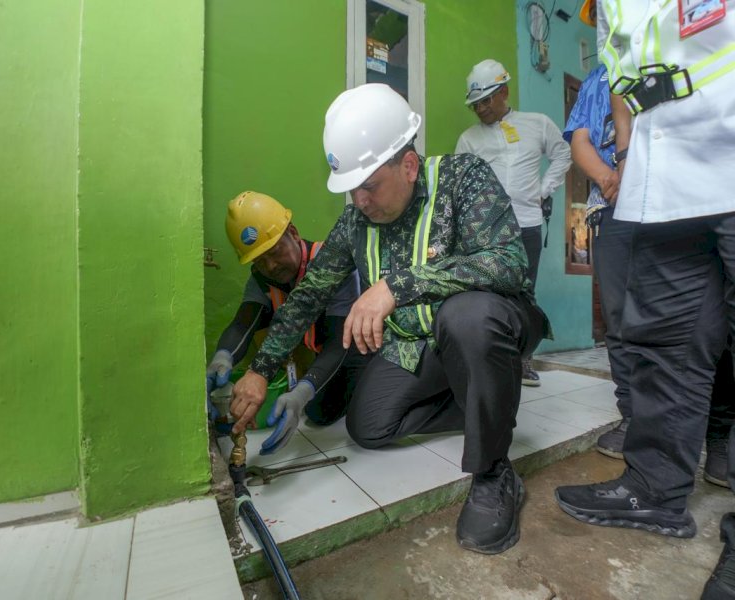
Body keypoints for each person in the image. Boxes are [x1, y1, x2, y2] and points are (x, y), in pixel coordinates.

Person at [230, 83, 548, 554]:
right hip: (419, 345)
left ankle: (493, 471)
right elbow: (307, 297)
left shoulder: (463, 179)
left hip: (490, 325)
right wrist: (260, 370)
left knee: (466, 315)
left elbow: (509, 262)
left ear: (409, 165)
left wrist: (397, 286)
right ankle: (486, 400)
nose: (360, 200)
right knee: (368, 426)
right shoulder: (356, 221)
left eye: (369, 186)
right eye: (352, 189)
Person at [553, 2, 735, 596]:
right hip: (668, 170)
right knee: (666, 339)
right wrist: (628, 159)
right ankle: (655, 486)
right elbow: (625, 76)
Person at [206, 191, 368, 455]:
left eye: (275, 250)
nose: (271, 265)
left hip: (359, 351)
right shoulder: (263, 280)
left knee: (358, 418)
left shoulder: (330, 263)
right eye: (260, 261)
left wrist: (303, 392)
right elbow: (242, 323)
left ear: (292, 233)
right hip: (328, 355)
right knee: (319, 412)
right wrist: (221, 359)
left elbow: (341, 343)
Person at [455, 59, 571, 387]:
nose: (479, 108)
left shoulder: (537, 124)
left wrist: (544, 189)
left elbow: (562, 154)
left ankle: (522, 360)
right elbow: (460, 183)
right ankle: (486, 360)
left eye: (485, 100)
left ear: (504, 91)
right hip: (486, 229)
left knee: (524, 293)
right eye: (474, 103)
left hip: (527, 223)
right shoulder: (468, 139)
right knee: (486, 291)